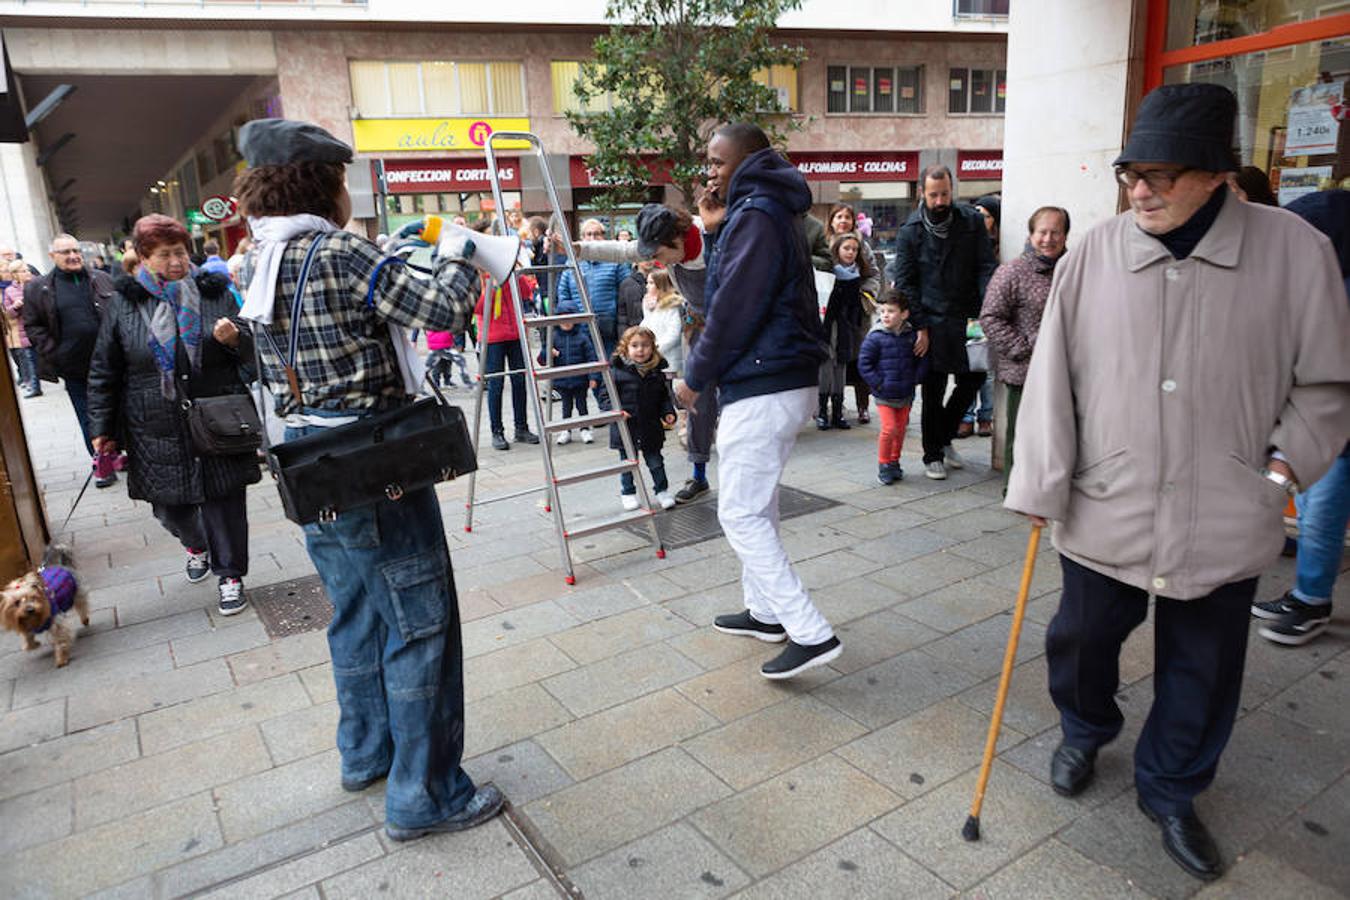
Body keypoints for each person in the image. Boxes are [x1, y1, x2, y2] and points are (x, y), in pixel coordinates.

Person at [1005, 85, 1350, 881]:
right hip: (1106, 499)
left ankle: (1171, 786)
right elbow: (1053, 375)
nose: (1142, 190)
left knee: (1203, 667)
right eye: (1132, 172)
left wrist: (1279, 470)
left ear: (1219, 174)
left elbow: (1329, 384)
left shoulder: (1298, 252)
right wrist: (1042, 481)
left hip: (1226, 509)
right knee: (1081, 640)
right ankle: (1085, 729)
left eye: (1165, 174)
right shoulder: (1094, 249)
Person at [233, 117, 503, 839]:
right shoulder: (338, 250)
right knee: (420, 624)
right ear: (321, 182)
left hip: (310, 460)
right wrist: (455, 251)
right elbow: (444, 309)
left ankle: (366, 753)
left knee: (355, 614)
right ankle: (426, 795)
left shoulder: (255, 256)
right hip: (371, 460)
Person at [675, 122, 839, 680]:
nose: (710, 170)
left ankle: (810, 631)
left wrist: (694, 376)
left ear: (749, 160)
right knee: (758, 503)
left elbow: (732, 311)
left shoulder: (759, 214)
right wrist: (716, 233)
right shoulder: (764, 211)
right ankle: (766, 614)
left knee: (740, 512)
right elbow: (737, 289)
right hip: (777, 377)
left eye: (718, 161)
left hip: (764, 380)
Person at [85, 215, 260, 614]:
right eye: (164, 255)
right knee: (170, 506)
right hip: (153, 421)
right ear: (144, 258)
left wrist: (236, 339)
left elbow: (253, 347)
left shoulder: (215, 292)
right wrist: (102, 429)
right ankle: (196, 543)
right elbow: (104, 370)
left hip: (215, 413)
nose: (176, 261)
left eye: (180, 252)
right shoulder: (124, 304)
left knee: (224, 500)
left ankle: (230, 574)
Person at [565, 203, 718, 504]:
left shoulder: (715, 242)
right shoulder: (667, 242)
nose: (650, 261)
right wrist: (578, 248)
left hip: (733, 327)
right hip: (700, 327)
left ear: (677, 240)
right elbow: (623, 252)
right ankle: (699, 475)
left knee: (736, 404)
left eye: (657, 255)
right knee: (698, 402)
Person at [1250, 189, 1350, 646]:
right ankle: (1303, 594)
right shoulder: (1324, 282)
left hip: (1340, 434)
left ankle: (1311, 602)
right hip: (1319, 430)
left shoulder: (1337, 288)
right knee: (1312, 510)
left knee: (1322, 515)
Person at [888, 166, 997, 480]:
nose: (939, 201)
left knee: (973, 380)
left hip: (968, 317)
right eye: (933, 194)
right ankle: (932, 454)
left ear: (953, 190)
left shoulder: (972, 221)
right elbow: (906, 283)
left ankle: (944, 434)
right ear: (922, 192)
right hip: (931, 321)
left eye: (945, 194)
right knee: (933, 390)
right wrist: (919, 326)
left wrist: (986, 306)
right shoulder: (910, 231)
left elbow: (984, 266)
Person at [979, 205, 1070, 483]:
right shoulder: (1012, 272)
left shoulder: (1074, 269)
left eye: (1056, 232)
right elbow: (990, 317)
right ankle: (1016, 488)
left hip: (1067, 369)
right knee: (1022, 435)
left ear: (1066, 235)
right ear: (1031, 235)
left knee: (1059, 435)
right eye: (1042, 232)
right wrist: (1025, 348)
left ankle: (1050, 489)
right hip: (1025, 371)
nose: (1049, 238)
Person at [22, 233, 118, 486]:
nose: (73, 256)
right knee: (88, 415)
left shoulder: (103, 279)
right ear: (52, 256)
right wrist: (56, 353)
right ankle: (102, 465)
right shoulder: (38, 288)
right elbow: (33, 326)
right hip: (75, 367)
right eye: (65, 252)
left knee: (120, 410)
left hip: (112, 363)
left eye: (76, 251)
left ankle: (121, 455)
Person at [857, 289, 927, 485]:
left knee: (900, 430)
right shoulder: (875, 337)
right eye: (882, 311)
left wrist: (915, 378)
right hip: (884, 394)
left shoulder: (911, 335)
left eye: (891, 311)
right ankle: (884, 464)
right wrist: (878, 383)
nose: (885, 315)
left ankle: (894, 461)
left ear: (904, 314)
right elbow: (864, 363)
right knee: (889, 429)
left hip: (905, 392)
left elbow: (921, 358)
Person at [610, 325, 677, 510]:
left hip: (650, 426)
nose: (640, 350)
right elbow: (606, 395)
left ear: (653, 347)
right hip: (626, 427)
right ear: (625, 348)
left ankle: (662, 490)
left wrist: (668, 412)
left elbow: (664, 397)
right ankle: (628, 492)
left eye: (645, 345)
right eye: (635, 345)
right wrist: (616, 411)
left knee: (656, 462)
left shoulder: (656, 372)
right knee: (628, 463)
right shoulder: (617, 372)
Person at [826, 203, 881, 425]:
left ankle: (863, 406)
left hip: (856, 312)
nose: (843, 221)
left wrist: (864, 295)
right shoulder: (824, 244)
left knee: (859, 359)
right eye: (838, 216)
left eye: (847, 217)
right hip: (830, 311)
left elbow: (874, 275)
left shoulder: (863, 247)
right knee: (830, 359)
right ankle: (828, 404)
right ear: (831, 221)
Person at [475, 270, 539, 451]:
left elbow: (526, 293)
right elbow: (478, 308)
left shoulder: (509, 272)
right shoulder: (479, 276)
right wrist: (493, 287)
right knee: (496, 385)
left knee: (519, 381)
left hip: (516, 334)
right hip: (492, 338)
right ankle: (497, 431)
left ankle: (521, 428)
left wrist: (516, 273)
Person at [816, 232, 870, 430]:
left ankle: (838, 412)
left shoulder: (856, 274)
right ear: (837, 249)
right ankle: (822, 410)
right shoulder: (829, 272)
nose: (851, 252)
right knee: (826, 366)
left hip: (846, 327)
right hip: (827, 326)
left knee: (841, 367)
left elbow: (855, 306)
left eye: (854, 249)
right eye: (846, 248)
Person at [961, 194, 1002, 438]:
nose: (980, 220)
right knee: (968, 367)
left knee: (986, 371)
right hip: (968, 313)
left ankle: (985, 416)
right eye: (977, 214)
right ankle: (966, 416)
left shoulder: (998, 247)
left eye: (985, 216)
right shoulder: (966, 243)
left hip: (989, 315)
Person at [537, 315, 598, 445]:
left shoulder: (582, 337)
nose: (566, 323)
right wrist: (548, 353)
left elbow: (591, 357)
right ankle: (566, 429)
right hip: (562, 380)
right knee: (566, 406)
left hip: (580, 379)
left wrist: (593, 377)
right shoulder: (553, 337)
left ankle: (585, 428)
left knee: (582, 405)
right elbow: (541, 360)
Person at [3, 261, 42, 397]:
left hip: (42, 327)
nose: (28, 273)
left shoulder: (38, 284)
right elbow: (8, 314)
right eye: (24, 271)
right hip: (24, 329)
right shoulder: (9, 291)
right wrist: (15, 306)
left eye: (28, 270)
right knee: (31, 360)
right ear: (15, 274)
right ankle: (36, 387)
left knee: (52, 356)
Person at [639, 268, 685, 376]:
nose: (647, 286)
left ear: (661, 285)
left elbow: (674, 334)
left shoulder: (672, 306)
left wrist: (655, 349)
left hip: (670, 360)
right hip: (654, 358)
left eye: (651, 283)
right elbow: (647, 324)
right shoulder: (649, 304)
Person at [617, 259, 649, 337]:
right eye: (645, 258)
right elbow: (622, 315)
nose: (649, 260)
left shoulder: (661, 280)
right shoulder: (627, 284)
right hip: (634, 333)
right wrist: (624, 337)